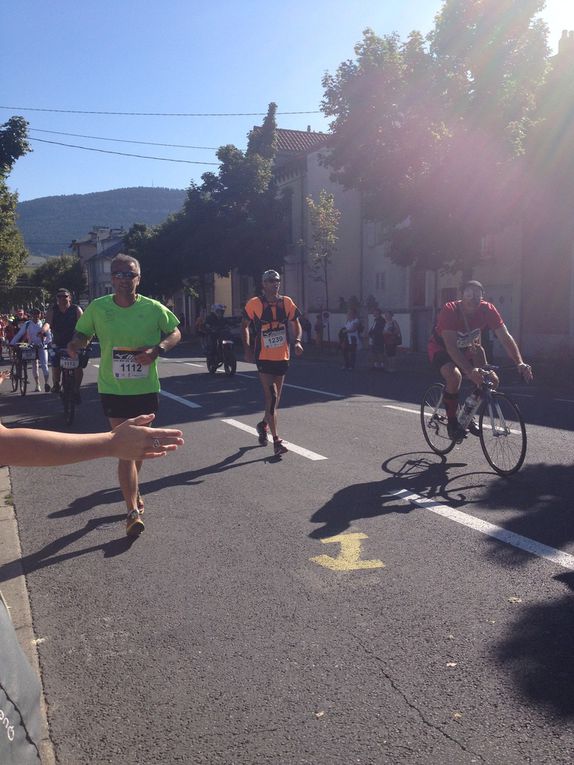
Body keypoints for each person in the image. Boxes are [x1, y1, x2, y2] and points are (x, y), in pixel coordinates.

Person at [67, 253, 181, 536]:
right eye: (117, 274)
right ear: (111, 279)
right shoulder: (98, 307)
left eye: (129, 274)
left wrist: (157, 351)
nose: (122, 279)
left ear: (138, 279)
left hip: (144, 388)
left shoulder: (154, 309)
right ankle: (131, 510)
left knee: (137, 448)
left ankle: (133, 490)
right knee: (124, 449)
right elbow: (83, 333)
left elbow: (175, 332)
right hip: (113, 388)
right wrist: (75, 344)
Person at [428, 280, 533, 441]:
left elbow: (505, 337)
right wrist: (470, 371)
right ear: (461, 296)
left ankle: (468, 413)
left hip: (469, 348)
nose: (473, 298)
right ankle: (452, 423)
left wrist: (519, 362)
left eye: (477, 294)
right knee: (455, 376)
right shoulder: (450, 310)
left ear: (483, 296)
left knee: (491, 380)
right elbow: (451, 347)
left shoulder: (487, 309)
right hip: (441, 348)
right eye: (469, 294)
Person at [241, 269, 303, 456]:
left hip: (282, 356)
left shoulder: (287, 302)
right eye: (270, 281)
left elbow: (296, 322)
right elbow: (244, 326)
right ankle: (277, 441)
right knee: (272, 397)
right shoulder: (254, 303)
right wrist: (247, 348)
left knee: (274, 402)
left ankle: (263, 424)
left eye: (277, 280)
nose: (274, 283)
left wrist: (298, 341)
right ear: (263, 284)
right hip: (264, 357)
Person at [43, 288, 86, 402]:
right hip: (58, 342)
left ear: (70, 298)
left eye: (65, 296)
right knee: (55, 363)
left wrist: (80, 339)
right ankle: (56, 383)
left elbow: (83, 325)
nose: (62, 299)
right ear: (57, 299)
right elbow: (48, 323)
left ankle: (76, 389)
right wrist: (42, 331)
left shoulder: (76, 309)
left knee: (78, 365)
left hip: (74, 342)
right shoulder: (53, 310)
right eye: (60, 297)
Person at [9, 307, 52, 392]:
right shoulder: (28, 324)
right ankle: (37, 384)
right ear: (31, 315)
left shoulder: (43, 324)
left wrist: (44, 344)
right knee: (34, 365)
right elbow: (19, 334)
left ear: (40, 315)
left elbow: (49, 337)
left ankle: (46, 383)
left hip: (41, 347)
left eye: (37, 313)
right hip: (31, 347)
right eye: (33, 314)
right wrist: (12, 343)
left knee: (44, 365)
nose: (35, 315)